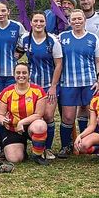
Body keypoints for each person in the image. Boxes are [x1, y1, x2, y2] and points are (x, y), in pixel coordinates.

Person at [56, 9, 99, 158]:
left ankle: (87, 142)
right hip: (69, 83)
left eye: (79, 19)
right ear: (69, 21)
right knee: (68, 117)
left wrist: (98, 79)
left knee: (89, 112)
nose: (77, 22)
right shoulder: (62, 38)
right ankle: (66, 146)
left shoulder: (92, 38)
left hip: (89, 82)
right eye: (73, 19)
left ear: (84, 20)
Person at [19, 11, 62, 158]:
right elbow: (16, 55)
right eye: (35, 21)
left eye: (41, 21)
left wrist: (53, 86)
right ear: (31, 23)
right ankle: (31, 146)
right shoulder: (25, 39)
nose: (38, 24)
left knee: (48, 115)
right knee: (32, 116)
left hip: (48, 84)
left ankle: (47, 148)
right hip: (31, 86)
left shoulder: (52, 41)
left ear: (45, 23)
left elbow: (58, 64)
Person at [0, 63, 49, 165]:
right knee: (14, 159)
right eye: (18, 73)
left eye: (24, 73)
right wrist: (3, 120)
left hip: (30, 127)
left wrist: (22, 122)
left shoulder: (38, 91)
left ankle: (37, 155)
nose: (21, 75)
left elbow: (38, 114)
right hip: (13, 129)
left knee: (40, 125)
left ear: (29, 75)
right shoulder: (7, 92)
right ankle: (21, 149)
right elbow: (0, 115)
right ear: (14, 75)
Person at [0, 1, 25, 93]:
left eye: (3, 10)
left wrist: (19, 52)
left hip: (11, 73)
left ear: (8, 11)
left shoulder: (17, 26)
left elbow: (27, 39)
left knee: (11, 102)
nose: (0, 14)